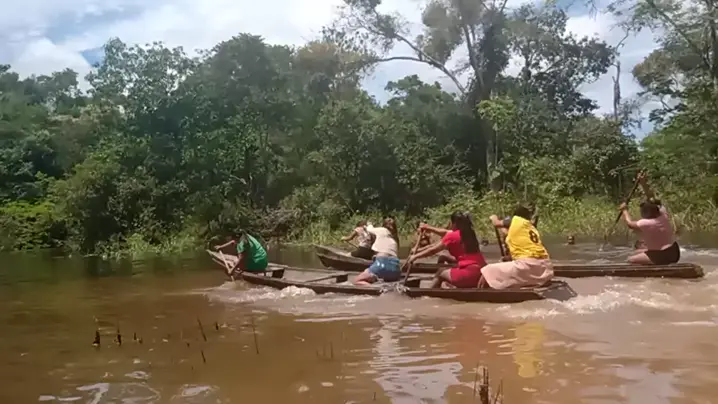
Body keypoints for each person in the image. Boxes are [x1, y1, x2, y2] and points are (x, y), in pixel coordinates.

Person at [408, 212, 487, 289]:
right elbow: (446, 233)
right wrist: (428, 228)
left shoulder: (452, 236)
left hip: (468, 274)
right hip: (482, 274)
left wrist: (415, 256)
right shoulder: (470, 234)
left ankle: (428, 294)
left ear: (454, 224)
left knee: (440, 272)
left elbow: (433, 250)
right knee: (447, 265)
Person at [482, 205, 554, 289]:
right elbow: (507, 232)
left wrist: (493, 217)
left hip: (529, 266)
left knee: (488, 270)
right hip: (546, 267)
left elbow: (497, 223)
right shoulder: (529, 227)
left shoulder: (517, 220)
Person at [619, 172, 679, 265]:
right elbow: (652, 198)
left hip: (662, 255)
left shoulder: (647, 223)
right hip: (674, 252)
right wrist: (643, 183)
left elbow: (630, 224)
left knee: (630, 260)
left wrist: (624, 211)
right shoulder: (663, 214)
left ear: (647, 212)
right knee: (638, 252)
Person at [354, 218, 401, 285]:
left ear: (383, 225)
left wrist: (369, 224)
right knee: (366, 270)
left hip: (381, 264)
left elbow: (369, 229)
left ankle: (373, 288)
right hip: (395, 269)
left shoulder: (382, 230)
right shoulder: (395, 238)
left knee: (357, 280)